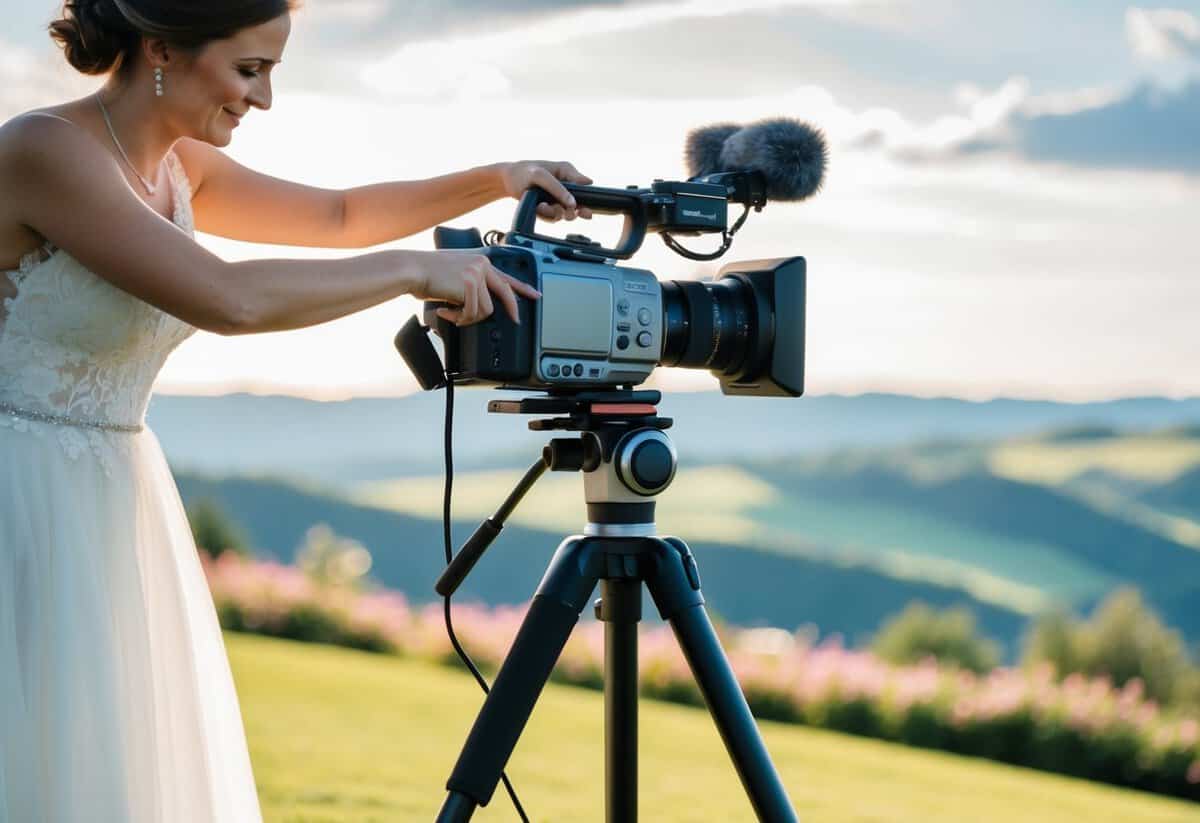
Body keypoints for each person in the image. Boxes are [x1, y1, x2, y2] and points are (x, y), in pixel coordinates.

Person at [0, 1, 593, 820]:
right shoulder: (42, 151)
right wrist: (417, 273)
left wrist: (497, 177)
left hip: (112, 500)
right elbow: (230, 298)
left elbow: (340, 216)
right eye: (250, 70)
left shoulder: (181, 167)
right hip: (17, 495)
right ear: (161, 45)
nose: (265, 99)